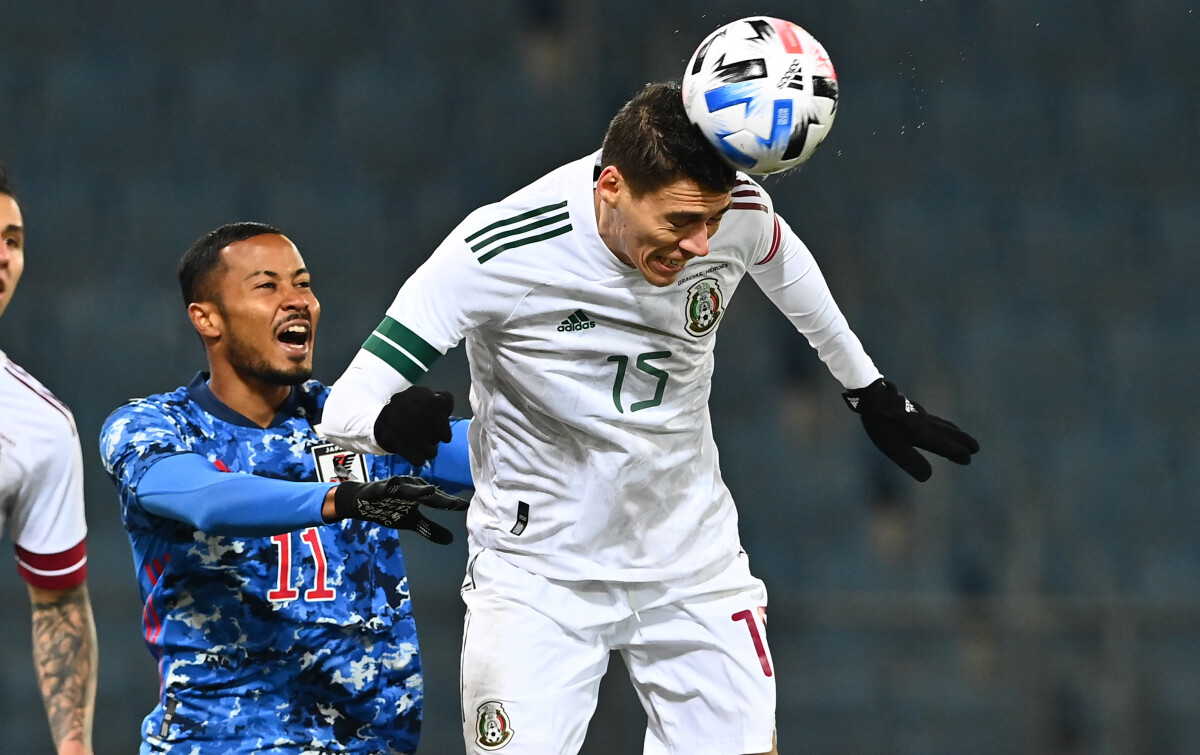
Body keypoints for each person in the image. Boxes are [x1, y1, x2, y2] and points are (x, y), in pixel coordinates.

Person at [322, 82, 979, 754]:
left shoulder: (734, 213)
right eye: (679, 222)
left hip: (690, 560)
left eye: (711, 222)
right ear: (611, 187)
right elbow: (344, 405)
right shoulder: (496, 250)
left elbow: (779, 255)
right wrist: (385, 424)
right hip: (538, 574)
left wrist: (865, 386)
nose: (700, 244)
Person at [98, 222, 472, 753]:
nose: (297, 300)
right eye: (267, 286)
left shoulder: (352, 421)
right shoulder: (154, 426)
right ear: (207, 318)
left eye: (303, 283)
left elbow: (504, 457)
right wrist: (344, 499)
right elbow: (207, 500)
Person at [0, 165, 98, 755]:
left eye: (12, 240)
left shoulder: (39, 427)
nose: (2, 257)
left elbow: (59, 600)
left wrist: (74, 746)